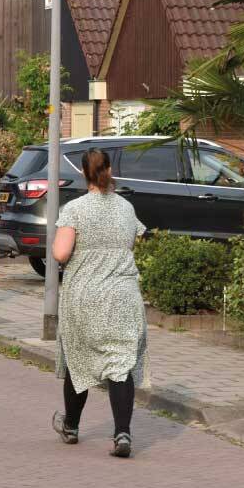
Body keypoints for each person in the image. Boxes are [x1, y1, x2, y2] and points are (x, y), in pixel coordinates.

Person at [51, 149, 148, 459]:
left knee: (77, 361)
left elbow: (60, 254)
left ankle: (71, 426)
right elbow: (132, 243)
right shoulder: (127, 208)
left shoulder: (74, 209)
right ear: (108, 169)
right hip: (123, 297)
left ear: (84, 173)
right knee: (121, 365)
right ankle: (122, 433)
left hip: (85, 296)